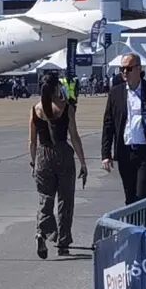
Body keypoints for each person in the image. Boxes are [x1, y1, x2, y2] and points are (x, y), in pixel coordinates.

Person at [28, 74, 87, 259]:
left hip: (43, 156)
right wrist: (83, 162)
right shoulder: (66, 107)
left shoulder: (35, 109)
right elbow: (74, 136)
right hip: (63, 155)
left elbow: (32, 141)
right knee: (65, 200)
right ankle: (63, 242)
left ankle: (42, 232)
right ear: (56, 88)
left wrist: (33, 162)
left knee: (45, 198)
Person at [101, 53, 146, 205]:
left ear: (138, 69)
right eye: (122, 69)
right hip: (125, 151)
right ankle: (134, 221)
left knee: (143, 196)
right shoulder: (116, 93)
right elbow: (108, 124)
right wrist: (106, 154)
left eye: (128, 68)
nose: (124, 72)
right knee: (130, 198)